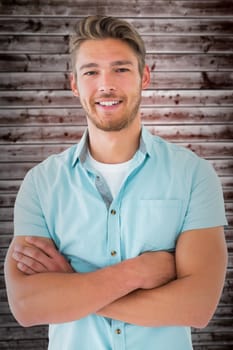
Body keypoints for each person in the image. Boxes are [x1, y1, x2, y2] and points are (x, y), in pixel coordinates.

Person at [4, 16, 228, 350]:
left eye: (121, 69)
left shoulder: (194, 175)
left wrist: (71, 289)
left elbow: (197, 306)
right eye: (91, 72)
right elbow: (27, 306)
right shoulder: (41, 183)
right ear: (75, 84)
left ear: (145, 77)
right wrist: (137, 274)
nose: (105, 84)